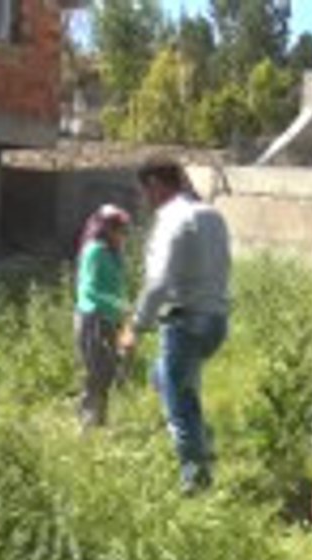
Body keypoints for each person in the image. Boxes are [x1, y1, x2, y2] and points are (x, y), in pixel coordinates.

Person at [119, 157, 231, 495]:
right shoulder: (212, 215)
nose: (145, 199)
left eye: (145, 191)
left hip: (185, 321)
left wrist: (134, 328)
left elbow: (158, 283)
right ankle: (202, 441)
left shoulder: (172, 219)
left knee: (178, 407)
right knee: (167, 380)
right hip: (215, 320)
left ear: (155, 185)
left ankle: (195, 482)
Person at [74, 204, 132, 428]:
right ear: (103, 228)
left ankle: (99, 423)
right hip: (92, 318)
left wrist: (122, 311)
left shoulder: (113, 253)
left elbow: (116, 287)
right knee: (95, 373)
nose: (122, 233)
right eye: (117, 228)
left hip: (110, 319)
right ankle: (86, 425)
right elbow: (90, 290)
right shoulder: (95, 250)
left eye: (123, 228)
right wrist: (120, 305)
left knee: (107, 372)